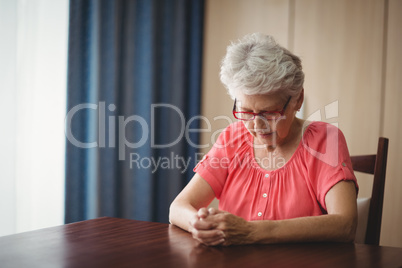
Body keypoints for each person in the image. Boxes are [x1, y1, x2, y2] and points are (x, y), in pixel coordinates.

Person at [169, 33, 358, 246]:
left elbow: (345, 225)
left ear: (298, 100)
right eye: (246, 112)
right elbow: (178, 207)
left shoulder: (324, 140)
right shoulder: (232, 138)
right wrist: (198, 224)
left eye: (269, 113)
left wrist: (252, 232)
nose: (257, 126)